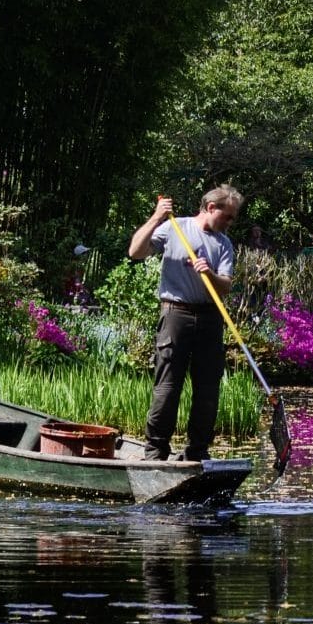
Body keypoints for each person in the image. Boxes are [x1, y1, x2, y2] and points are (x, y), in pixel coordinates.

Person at [127, 185, 242, 462]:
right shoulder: (175, 227)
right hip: (175, 314)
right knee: (168, 386)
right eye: (227, 216)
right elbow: (135, 252)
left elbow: (225, 286)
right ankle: (156, 452)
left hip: (210, 317)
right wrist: (156, 218)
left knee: (207, 390)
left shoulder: (224, 243)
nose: (230, 222)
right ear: (211, 208)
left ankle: (197, 453)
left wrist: (209, 273)